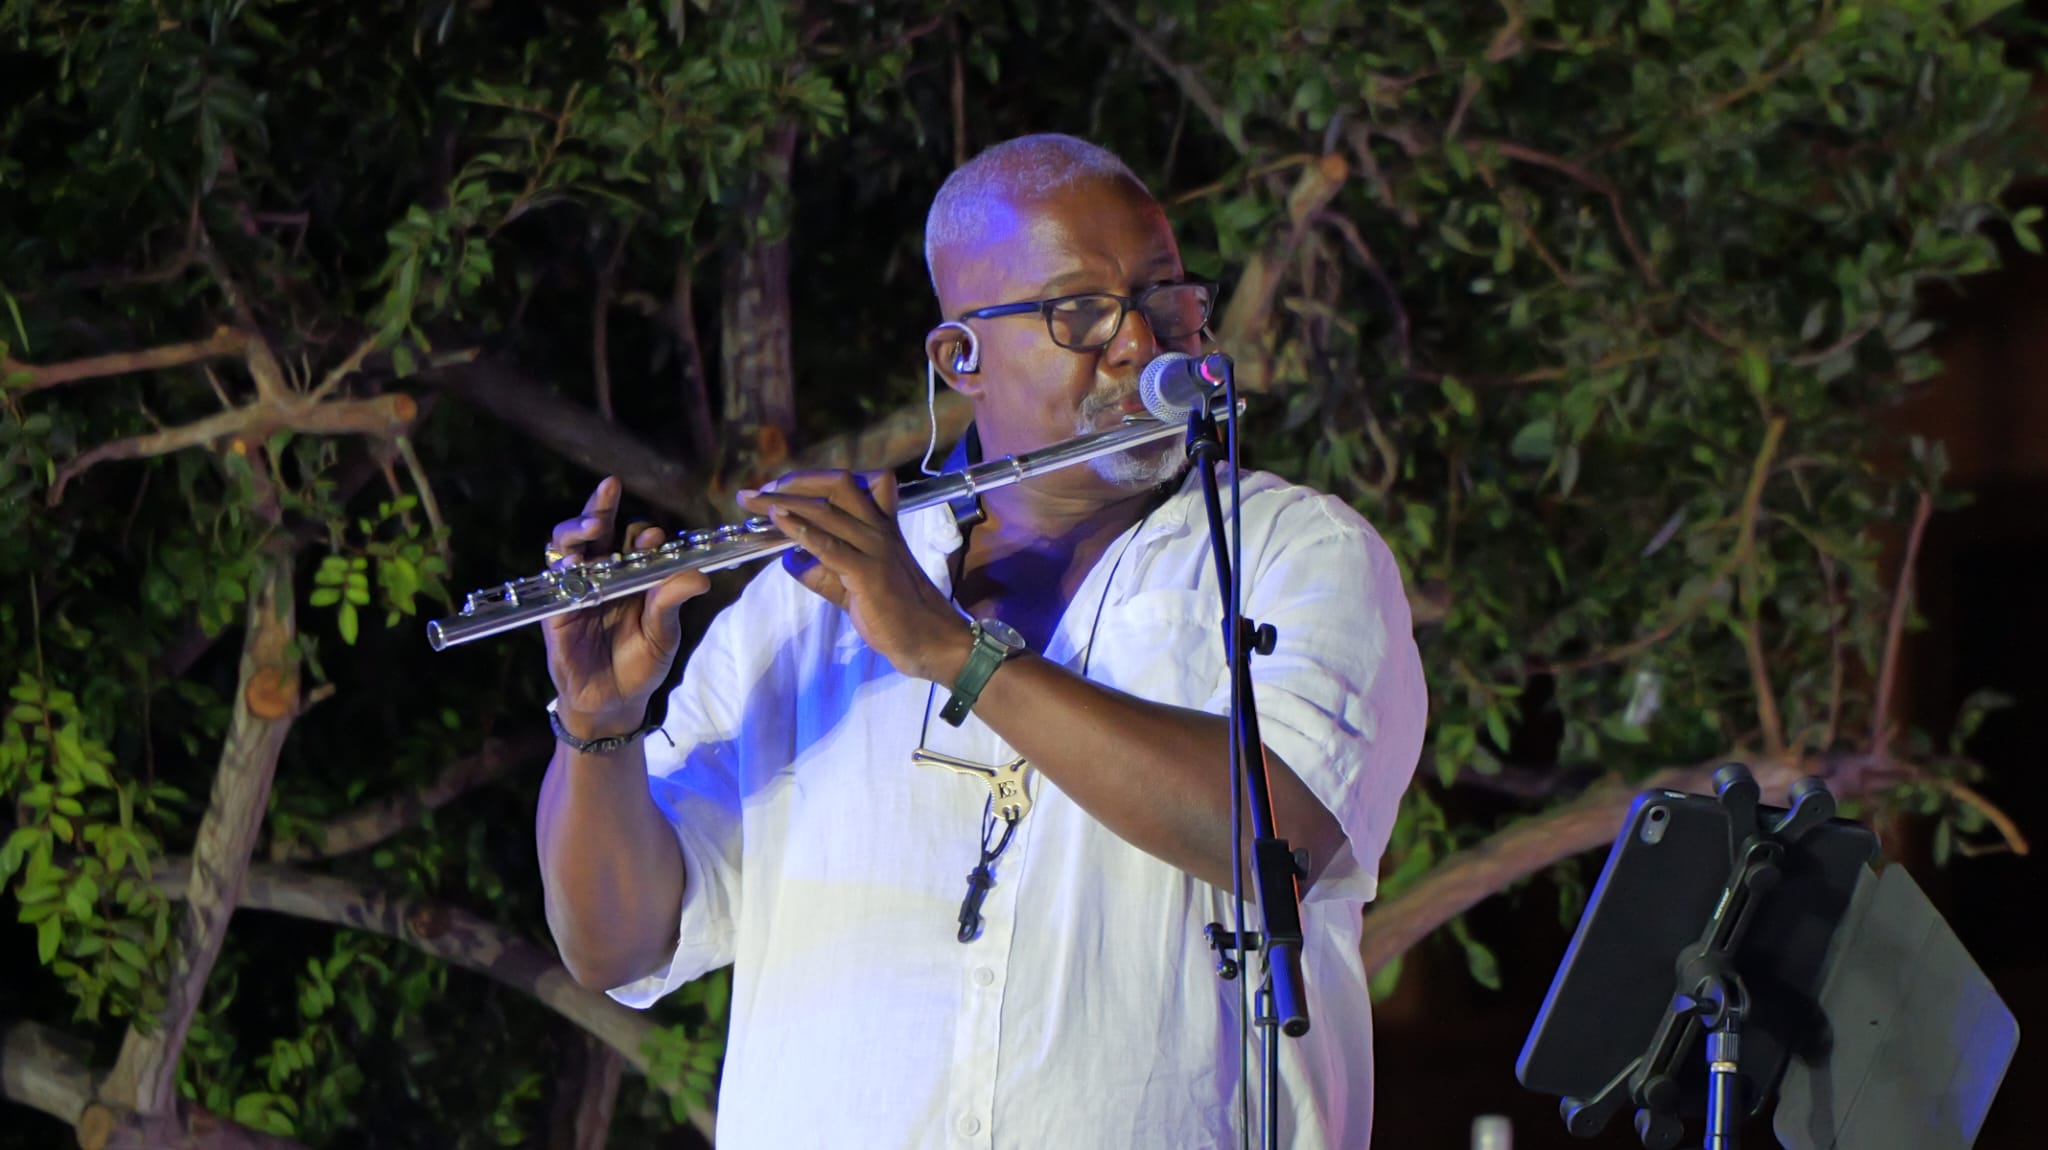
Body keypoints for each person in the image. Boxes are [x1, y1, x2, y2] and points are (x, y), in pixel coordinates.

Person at [534, 133, 1429, 1149]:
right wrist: (596, 726)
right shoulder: (802, 603)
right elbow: (612, 943)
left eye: (1164, 297)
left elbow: (1279, 837)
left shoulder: (1294, 552)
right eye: (1081, 312)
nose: (1139, 343)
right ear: (958, 357)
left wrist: (954, 651)